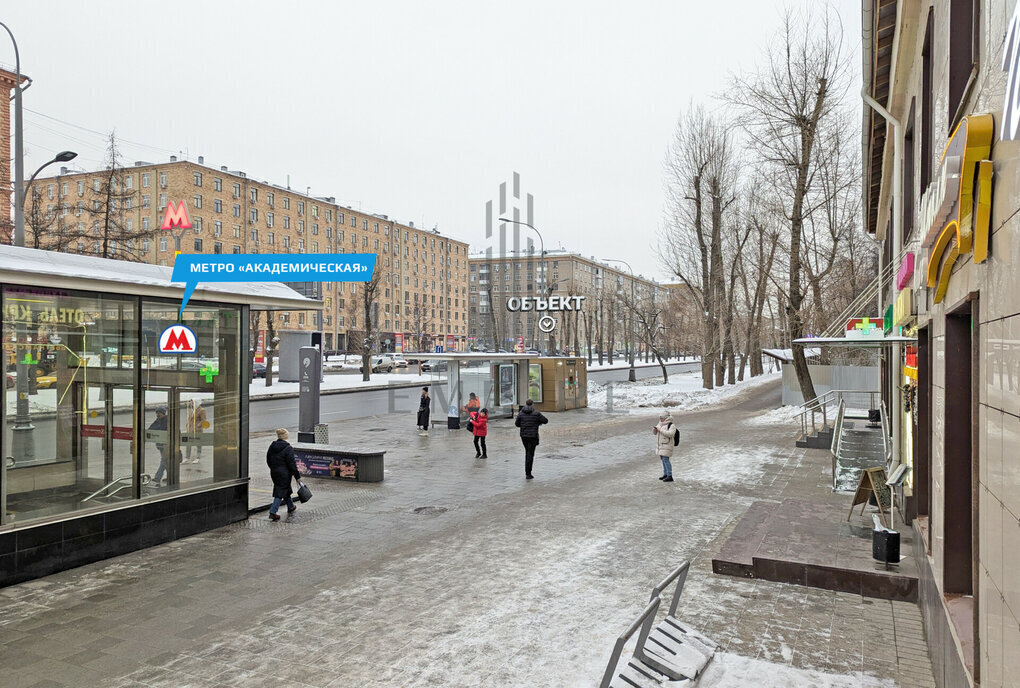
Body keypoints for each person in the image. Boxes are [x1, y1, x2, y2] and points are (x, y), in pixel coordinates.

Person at [266, 428, 300, 521]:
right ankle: (273, 512)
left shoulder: (272, 446)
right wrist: (297, 476)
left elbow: (268, 459)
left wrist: (273, 468)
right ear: (286, 436)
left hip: (274, 472)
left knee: (284, 488)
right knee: (280, 491)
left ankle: (291, 506)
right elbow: (292, 464)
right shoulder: (288, 448)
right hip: (284, 473)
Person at [514, 399, 548, 479]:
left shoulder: (521, 413)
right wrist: (538, 423)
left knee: (527, 452)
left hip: (524, 436)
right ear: (532, 404)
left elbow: (517, 424)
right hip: (533, 436)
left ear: (526, 404)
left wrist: (523, 425)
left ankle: (527, 472)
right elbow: (545, 421)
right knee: (530, 454)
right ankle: (528, 473)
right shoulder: (536, 413)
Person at [653, 411, 677, 482]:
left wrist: (660, 430)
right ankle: (665, 474)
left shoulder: (671, 425)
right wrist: (655, 429)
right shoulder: (660, 424)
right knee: (663, 460)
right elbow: (654, 433)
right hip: (660, 446)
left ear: (666, 418)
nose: (660, 419)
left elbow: (670, 434)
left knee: (666, 460)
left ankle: (669, 475)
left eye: (662, 418)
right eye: (660, 418)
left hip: (667, 445)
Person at [149, 407, 169, 485]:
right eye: (156, 413)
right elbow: (150, 429)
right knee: (166, 461)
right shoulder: (157, 421)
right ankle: (170, 476)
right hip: (160, 445)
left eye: (159, 413)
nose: (157, 414)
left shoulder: (167, 420)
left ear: (163, 413)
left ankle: (157, 477)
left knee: (164, 460)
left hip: (167, 444)